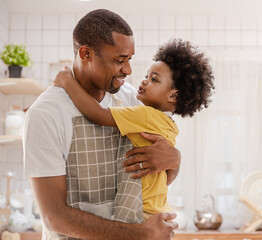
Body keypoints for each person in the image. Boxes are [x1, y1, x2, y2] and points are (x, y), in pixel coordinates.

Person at [23, 9, 180, 240]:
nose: (128, 70)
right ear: (86, 53)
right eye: (119, 60)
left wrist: (175, 159)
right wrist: (140, 233)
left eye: (129, 59)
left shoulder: (128, 98)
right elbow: (54, 217)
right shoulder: (46, 114)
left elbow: (159, 177)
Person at [53, 38, 215, 222]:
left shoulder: (145, 115)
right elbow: (168, 176)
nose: (144, 81)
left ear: (173, 95)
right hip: (157, 208)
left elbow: (96, 113)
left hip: (139, 209)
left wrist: (67, 82)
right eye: (147, 75)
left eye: (154, 79)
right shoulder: (169, 125)